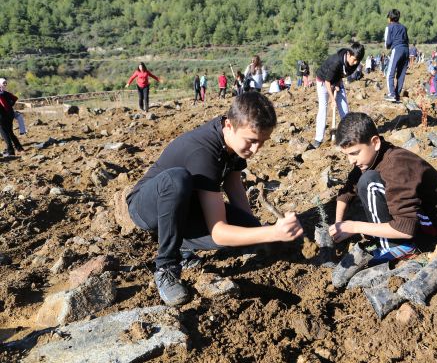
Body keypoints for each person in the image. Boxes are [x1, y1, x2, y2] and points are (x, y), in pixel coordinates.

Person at [126, 92, 304, 306]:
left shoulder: (233, 143)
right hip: (148, 208)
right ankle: (166, 267)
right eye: (252, 141)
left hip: (186, 206)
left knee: (247, 228)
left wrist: (255, 230)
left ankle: (181, 244)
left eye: (262, 142)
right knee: (177, 179)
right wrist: (273, 231)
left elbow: (234, 185)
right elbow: (218, 232)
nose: (256, 149)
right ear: (229, 125)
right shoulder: (205, 152)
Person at [328, 112, 437, 279]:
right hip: (419, 215)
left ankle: (398, 247)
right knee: (363, 179)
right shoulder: (375, 156)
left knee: (369, 182)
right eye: (347, 155)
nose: (351, 161)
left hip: (431, 223)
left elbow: (405, 228)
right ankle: (389, 240)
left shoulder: (395, 166)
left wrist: (354, 227)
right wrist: (338, 223)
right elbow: (348, 189)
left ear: (375, 142)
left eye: (355, 153)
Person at [310, 42, 365, 149]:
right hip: (323, 81)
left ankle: (349, 136)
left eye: (357, 61)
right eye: (354, 60)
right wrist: (332, 99)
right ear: (348, 54)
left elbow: (342, 74)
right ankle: (318, 139)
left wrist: (337, 84)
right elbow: (327, 82)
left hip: (336, 80)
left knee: (345, 110)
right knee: (323, 108)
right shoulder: (336, 61)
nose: (355, 63)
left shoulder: (355, 62)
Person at [384, 9, 410, 102]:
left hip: (397, 49)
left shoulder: (389, 27)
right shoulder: (404, 27)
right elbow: (407, 40)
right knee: (401, 74)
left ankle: (391, 94)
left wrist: (388, 47)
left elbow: (387, 43)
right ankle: (397, 95)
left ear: (390, 18)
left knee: (390, 73)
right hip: (406, 50)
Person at [0, 78, 24, 157]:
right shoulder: (5, 93)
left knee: (4, 134)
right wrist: (10, 107)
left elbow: (4, 105)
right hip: (10, 115)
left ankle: (10, 152)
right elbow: (15, 98)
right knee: (10, 132)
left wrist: (7, 109)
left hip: (2, 116)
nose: (4, 85)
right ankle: (19, 148)